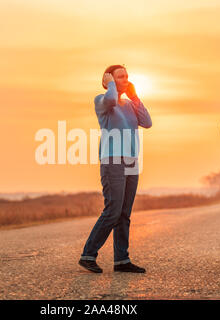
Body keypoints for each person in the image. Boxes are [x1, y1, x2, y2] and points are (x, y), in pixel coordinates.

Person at [78, 64, 152, 273]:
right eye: (120, 77)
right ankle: (88, 254)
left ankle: (121, 260)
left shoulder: (129, 105)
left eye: (127, 76)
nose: (125, 79)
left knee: (124, 214)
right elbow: (111, 99)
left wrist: (135, 96)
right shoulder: (102, 101)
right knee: (113, 210)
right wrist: (110, 84)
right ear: (108, 80)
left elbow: (147, 122)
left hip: (131, 161)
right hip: (112, 160)